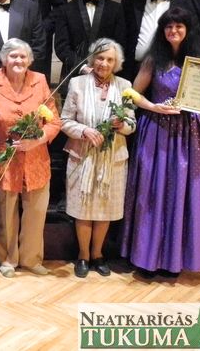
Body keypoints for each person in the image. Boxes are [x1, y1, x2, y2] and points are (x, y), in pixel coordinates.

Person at [120, 7, 200, 276]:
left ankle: (174, 260)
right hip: (156, 132)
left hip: (189, 135)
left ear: (188, 30)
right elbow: (131, 93)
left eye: (179, 26)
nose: (173, 31)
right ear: (162, 31)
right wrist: (153, 107)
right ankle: (147, 258)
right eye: (169, 27)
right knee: (152, 192)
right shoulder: (153, 60)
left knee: (183, 193)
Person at [0, 38, 61, 279]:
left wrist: (38, 140)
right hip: (3, 158)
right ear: (4, 59)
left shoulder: (39, 80)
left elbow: (54, 121)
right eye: (13, 56)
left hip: (36, 158)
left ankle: (31, 259)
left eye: (23, 56)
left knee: (36, 212)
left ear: (30, 60)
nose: (18, 60)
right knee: (5, 213)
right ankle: (7, 260)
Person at [60, 38, 136, 278]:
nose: (104, 63)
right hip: (82, 156)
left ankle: (97, 255)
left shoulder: (125, 85)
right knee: (83, 208)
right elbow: (64, 121)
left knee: (105, 208)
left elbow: (132, 124)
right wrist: (84, 131)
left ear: (116, 63)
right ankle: (83, 256)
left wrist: (122, 125)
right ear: (93, 59)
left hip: (113, 160)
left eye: (110, 59)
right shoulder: (77, 83)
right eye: (100, 58)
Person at [53, 0, 125, 93]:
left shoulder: (117, 9)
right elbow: (61, 47)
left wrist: (104, 68)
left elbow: (120, 44)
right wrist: (83, 68)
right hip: (74, 78)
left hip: (107, 78)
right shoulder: (65, 10)